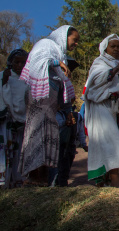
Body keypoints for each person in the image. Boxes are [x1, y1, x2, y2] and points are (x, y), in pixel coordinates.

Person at [19, 25, 79, 184]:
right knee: (37, 135)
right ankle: (33, 178)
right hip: (39, 101)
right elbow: (38, 60)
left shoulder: (62, 55)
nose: (76, 44)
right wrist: (56, 62)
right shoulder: (46, 44)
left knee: (49, 139)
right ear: (64, 36)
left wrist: (68, 112)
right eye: (75, 40)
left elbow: (62, 86)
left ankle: (44, 180)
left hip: (51, 107)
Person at [84, 34, 119, 190]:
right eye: (112, 46)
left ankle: (112, 180)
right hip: (101, 107)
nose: (116, 49)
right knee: (112, 143)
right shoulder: (99, 64)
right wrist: (117, 68)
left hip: (118, 108)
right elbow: (97, 82)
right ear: (104, 48)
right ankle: (114, 181)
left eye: (118, 46)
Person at [0, 49, 29, 188]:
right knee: (5, 152)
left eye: (23, 62)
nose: (19, 65)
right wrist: (4, 83)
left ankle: (16, 182)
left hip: (20, 123)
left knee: (17, 154)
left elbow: (26, 102)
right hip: (5, 122)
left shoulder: (26, 82)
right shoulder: (3, 76)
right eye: (17, 62)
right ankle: (3, 183)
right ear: (10, 62)